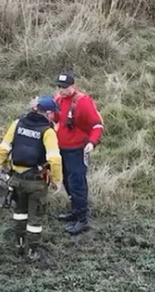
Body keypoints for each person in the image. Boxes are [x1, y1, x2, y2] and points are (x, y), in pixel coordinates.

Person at [0, 96, 63, 259]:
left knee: (19, 213)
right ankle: (32, 251)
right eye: (53, 113)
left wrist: (2, 165)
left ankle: (19, 244)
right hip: (37, 182)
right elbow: (54, 158)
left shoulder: (17, 124)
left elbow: (3, 149)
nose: (54, 116)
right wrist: (57, 179)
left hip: (16, 179)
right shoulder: (48, 131)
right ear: (47, 113)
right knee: (35, 219)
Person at [53, 71, 104, 235]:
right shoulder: (58, 99)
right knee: (68, 182)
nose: (62, 90)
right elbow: (55, 118)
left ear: (72, 86)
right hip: (62, 148)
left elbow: (97, 125)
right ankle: (75, 211)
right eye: (60, 87)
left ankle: (82, 220)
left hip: (77, 149)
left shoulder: (83, 102)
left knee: (77, 184)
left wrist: (91, 142)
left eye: (65, 87)